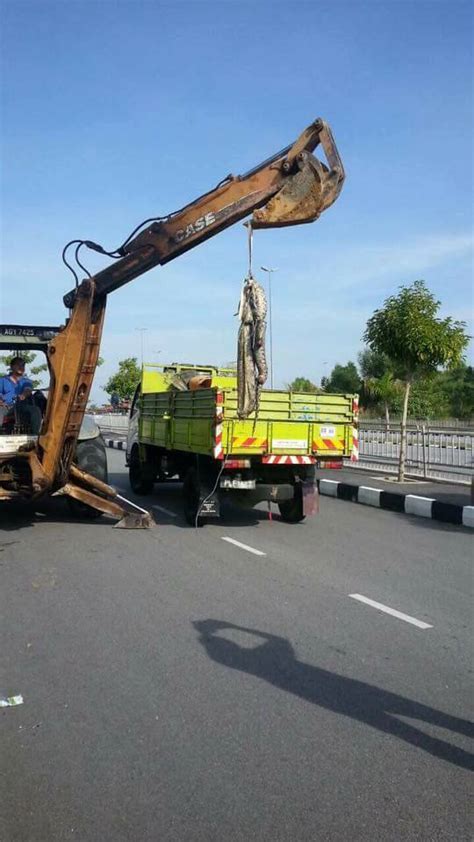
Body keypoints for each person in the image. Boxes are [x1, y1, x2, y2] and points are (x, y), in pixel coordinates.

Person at [0, 357, 42, 434]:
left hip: (22, 406)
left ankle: (34, 436)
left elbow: (28, 390)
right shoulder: (3, 380)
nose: (21, 367)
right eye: (18, 365)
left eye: (23, 365)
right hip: (6, 407)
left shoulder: (26, 381)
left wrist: (23, 395)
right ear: (12, 367)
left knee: (36, 410)